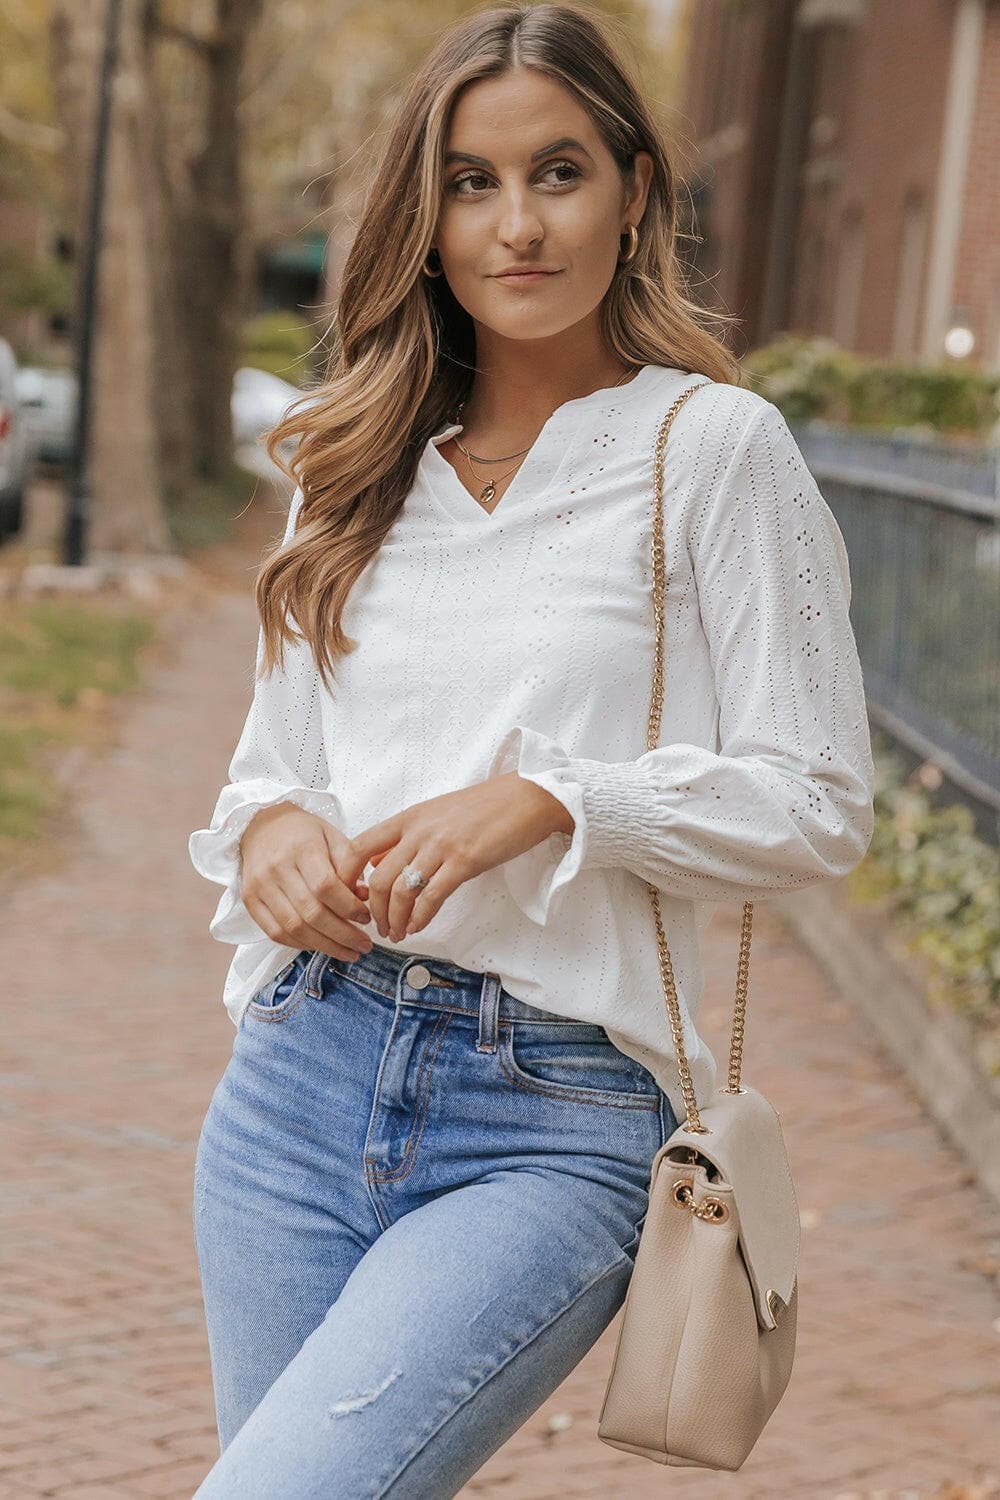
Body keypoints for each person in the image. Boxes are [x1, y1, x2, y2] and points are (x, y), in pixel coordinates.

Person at [186, 4, 876, 1495]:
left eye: (557, 173)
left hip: (550, 1118)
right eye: (472, 182)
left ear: (634, 191)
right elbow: (271, 767)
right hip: (300, 1071)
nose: (517, 225)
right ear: (422, 217)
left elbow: (818, 803)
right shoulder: (349, 459)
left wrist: (551, 804)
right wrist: (275, 843)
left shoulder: (714, 452)